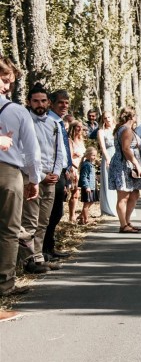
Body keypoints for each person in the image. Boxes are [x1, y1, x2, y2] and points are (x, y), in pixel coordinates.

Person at [0, 57, 41, 296]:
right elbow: (32, 152)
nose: (7, 87)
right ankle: (5, 284)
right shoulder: (17, 111)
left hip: (11, 173)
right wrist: (34, 179)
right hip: (8, 174)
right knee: (8, 230)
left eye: (10, 83)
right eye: (5, 81)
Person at [19, 84, 67, 274]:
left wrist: (55, 173)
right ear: (29, 102)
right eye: (36, 101)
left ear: (48, 102)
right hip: (32, 179)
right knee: (29, 221)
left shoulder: (54, 123)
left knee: (43, 221)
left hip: (51, 179)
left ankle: (39, 258)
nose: (40, 104)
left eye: (43, 101)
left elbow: (59, 152)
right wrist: (39, 177)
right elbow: (22, 153)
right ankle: (27, 261)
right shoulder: (24, 122)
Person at [41, 90, 75, 263]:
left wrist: (68, 168)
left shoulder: (60, 122)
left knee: (57, 212)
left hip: (61, 171)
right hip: (52, 172)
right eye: (61, 102)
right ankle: (44, 250)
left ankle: (50, 247)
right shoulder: (49, 121)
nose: (64, 106)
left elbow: (63, 148)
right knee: (50, 213)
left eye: (67, 103)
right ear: (52, 103)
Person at [108, 107, 141, 233]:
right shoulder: (125, 130)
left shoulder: (127, 129)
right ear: (132, 117)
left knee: (135, 193)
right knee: (123, 195)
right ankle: (123, 225)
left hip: (128, 164)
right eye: (135, 115)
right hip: (123, 164)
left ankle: (127, 221)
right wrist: (136, 164)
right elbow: (126, 149)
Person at [66, 122, 88, 223]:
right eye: (77, 127)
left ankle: (81, 215)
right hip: (74, 168)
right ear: (73, 128)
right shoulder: (69, 141)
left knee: (78, 194)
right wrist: (74, 169)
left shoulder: (81, 141)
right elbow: (69, 157)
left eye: (81, 127)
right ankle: (71, 216)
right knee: (74, 193)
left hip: (82, 168)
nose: (79, 129)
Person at [96, 113, 117, 217]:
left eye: (109, 117)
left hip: (118, 156)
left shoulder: (118, 129)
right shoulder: (101, 132)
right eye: (105, 118)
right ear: (103, 120)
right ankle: (108, 207)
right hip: (108, 156)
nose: (107, 119)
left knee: (118, 181)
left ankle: (119, 206)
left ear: (112, 117)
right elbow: (103, 147)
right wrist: (108, 158)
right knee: (108, 181)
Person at [78, 147, 99, 225]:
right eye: (93, 155)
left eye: (95, 155)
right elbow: (84, 176)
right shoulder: (86, 165)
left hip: (92, 186)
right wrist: (87, 186)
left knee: (92, 201)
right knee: (86, 204)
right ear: (87, 155)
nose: (94, 157)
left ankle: (81, 216)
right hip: (88, 187)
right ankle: (86, 219)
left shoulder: (91, 165)